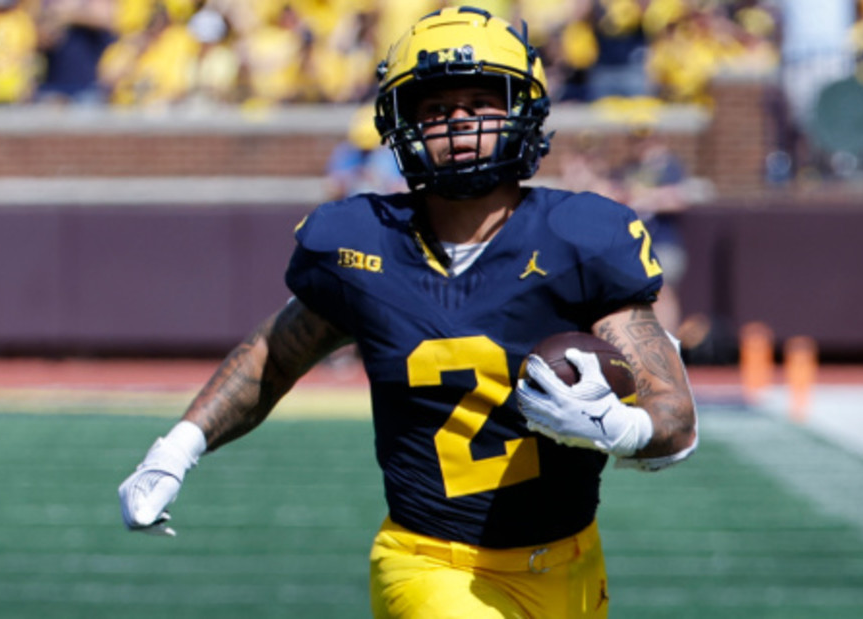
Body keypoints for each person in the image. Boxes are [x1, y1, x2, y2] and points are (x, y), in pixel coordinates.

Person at [118, 7, 698, 618]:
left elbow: (674, 416)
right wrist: (174, 450)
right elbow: (273, 356)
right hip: (429, 562)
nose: (460, 124)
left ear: (522, 111)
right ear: (400, 124)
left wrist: (619, 428)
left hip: (572, 563)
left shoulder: (581, 237)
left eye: (481, 103)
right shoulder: (361, 241)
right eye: (437, 109)